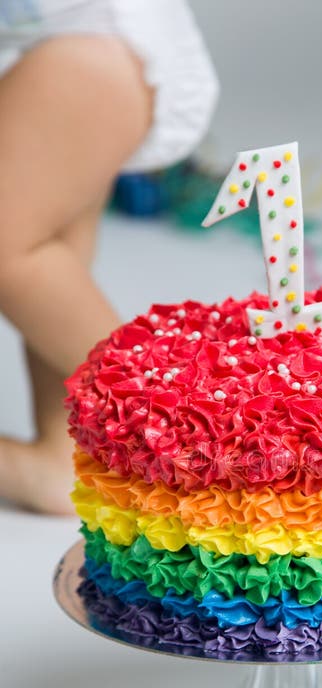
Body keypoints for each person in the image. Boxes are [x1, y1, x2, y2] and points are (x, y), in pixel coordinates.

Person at [0, 0, 218, 513]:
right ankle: (61, 455)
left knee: (12, 250)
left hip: (90, 49)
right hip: (78, 45)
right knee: (48, 251)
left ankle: (184, 433)